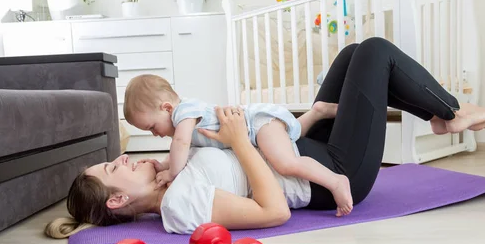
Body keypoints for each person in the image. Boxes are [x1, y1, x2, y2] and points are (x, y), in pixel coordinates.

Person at [45, 37, 485, 239]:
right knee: (375, 52)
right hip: (331, 176)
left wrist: (246, 134)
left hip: (301, 150)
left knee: (352, 56)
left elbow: (201, 142)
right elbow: (274, 211)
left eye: (113, 160)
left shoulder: (171, 171)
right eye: (112, 169)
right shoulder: (179, 206)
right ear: (117, 202)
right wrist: (240, 139)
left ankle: (443, 117)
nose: (122, 159)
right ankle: (451, 114)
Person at [122, 74, 353, 216]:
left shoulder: (184, 112)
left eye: (152, 127)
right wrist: (162, 166)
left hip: (256, 123)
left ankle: (335, 181)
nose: (154, 134)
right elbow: (183, 150)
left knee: (284, 162)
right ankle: (317, 112)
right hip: (256, 129)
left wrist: (172, 172)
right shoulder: (181, 123)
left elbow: (181, 145)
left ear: (166, 108)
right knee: (291, 136)